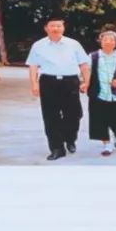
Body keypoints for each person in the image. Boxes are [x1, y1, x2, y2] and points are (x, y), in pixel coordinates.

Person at [26, 15, 90, 161]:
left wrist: (86, 82)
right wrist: (34, 84)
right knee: (50, 116)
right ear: (46, 28)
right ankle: (57, 148)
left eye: (59, 26)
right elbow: (33, 66)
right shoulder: (38, 45)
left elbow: (84, 64)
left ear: (63, 28)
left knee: (74, 115)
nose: (56, 28)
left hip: (70, 82)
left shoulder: (73, 44)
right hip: (48, 82)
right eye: (52, 26)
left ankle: (70, 138)